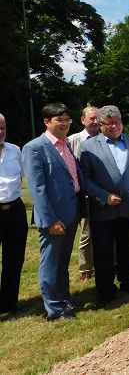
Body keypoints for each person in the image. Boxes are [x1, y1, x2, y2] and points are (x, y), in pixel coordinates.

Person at [22, 103, 86, 320]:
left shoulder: (65, 144)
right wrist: (51, 220)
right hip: (54, 219)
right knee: (50, 264)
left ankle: (64, 299)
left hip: (71, 213)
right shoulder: (34, 148)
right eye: (60, 120)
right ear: (47, 122)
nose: (65, 124)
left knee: (63, 262)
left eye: (68, 119)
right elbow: (37, 188)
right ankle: (54, 310)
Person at [79, 105, 129, 306]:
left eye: (117, 122)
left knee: (127, 245)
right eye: (109, 123)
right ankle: (105, 289)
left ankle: (127, 281)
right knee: (103, 251)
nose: (114, 126)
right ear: (100, 124)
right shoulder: (88, 147)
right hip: (102, 209)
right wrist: (103, 196)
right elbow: (85, 179)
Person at [0, 113, 28, 314]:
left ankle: (9, 303)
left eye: (3, 127)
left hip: (15, 211)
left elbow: (22, 176)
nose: (1, 132)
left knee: (14, 259)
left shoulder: (15, 150)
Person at [68, 105, 99, 283]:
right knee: (86, 234)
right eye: (91, 118)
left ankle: (114, 263)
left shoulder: (105, 138)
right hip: (85, 195)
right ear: (82, 120)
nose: (95, 122)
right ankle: (86, 269)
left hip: (104, 194)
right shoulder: (73, 140)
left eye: (97, 118)